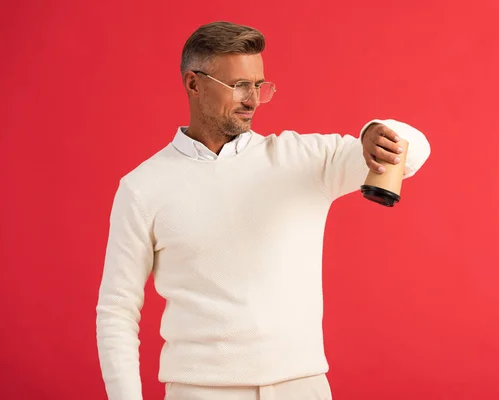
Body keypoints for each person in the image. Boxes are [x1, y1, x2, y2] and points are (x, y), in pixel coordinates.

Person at [96, 21, 431, 400]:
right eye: (238, 85)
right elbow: (116, 310)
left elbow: (414, 152)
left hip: (303, 388)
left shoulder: (305, 160)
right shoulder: (143, 187)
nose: (252, 100)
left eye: (259, 85)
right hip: (200, 392)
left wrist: (376, 130)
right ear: (193, 84)